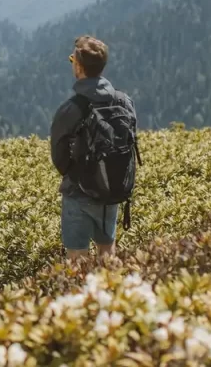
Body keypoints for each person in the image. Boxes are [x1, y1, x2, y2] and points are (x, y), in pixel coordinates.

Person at [50, 35, 137, 262]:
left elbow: (58, 157)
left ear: (78, 66)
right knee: (107, 254)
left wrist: (80, 175)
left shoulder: (71, 109)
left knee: (76, 262)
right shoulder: (123, 101)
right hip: (112, 191)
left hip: (78, 194)